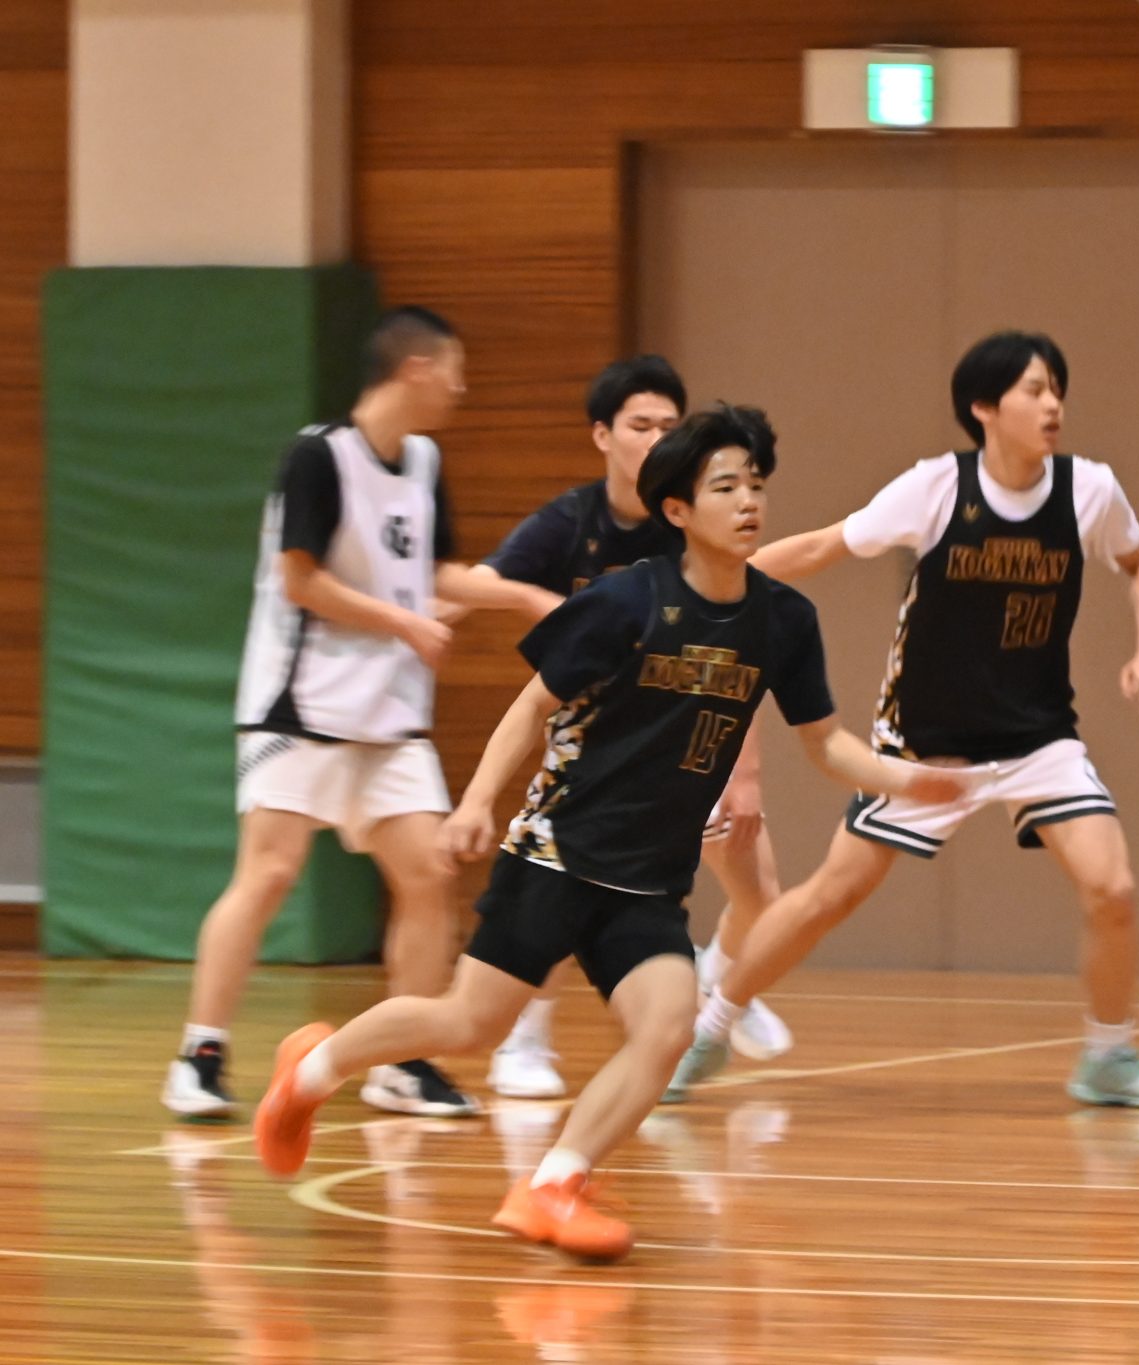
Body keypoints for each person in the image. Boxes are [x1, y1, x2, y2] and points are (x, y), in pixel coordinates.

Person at [252, 404, 966, 1261]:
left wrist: (908, 779)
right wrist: (476, 802)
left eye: (756, 484)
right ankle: (311, 1071)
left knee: (667, 1027)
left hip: (649, 880)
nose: (749, 501)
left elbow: (828, 744)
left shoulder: (782, 619)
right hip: (558, 853)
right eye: (725, 486)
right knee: (468, 1022)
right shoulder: (628, 600)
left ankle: (553, 1184)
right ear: (677, 509)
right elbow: (532, 706)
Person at [667, 330, 1139, 1110]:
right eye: (1033, 389)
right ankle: (711, 1028)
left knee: (1112, 888)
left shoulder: (1089, 489)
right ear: (984, 407)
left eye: (1057, 388)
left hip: (1038, 737)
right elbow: (822, 546)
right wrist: (704, 583)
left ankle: (1109, 1056)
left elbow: (1138, 561)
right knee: (829, 897)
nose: (1052, 404)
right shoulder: (937, 489)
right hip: (928, 743)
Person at [163, 307, 555, 1120]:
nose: (461, 387)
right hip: (298, 707)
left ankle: (402, 1063)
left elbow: (434, 574)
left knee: (428, 875)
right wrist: (404, 623)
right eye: (454, 369)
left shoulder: (424, 461)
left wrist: (522, 596)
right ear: (415, 368)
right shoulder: (318, 457)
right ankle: (199, 1055)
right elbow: (301, 580)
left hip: (388, 716)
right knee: (269, 873)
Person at [450, 355, 796, 1099]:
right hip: (603, 752)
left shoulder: (698, 537)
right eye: (641, 425)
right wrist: (525, 602)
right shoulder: (571, 524)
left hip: (691, 745)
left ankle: (718, 981)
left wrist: (745, 776)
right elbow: (480, 582)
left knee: (760, 891)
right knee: (565, 891)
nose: (657, 437)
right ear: (603, 435)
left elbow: (739, 660)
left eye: (670, 425)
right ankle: (527, 1037)